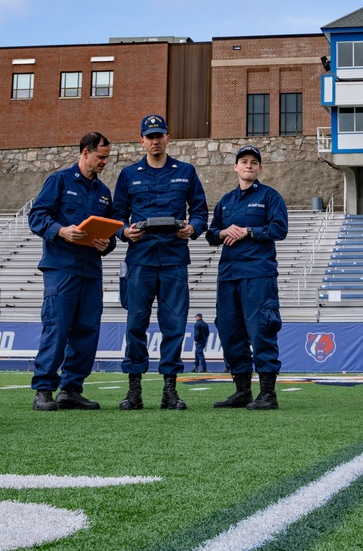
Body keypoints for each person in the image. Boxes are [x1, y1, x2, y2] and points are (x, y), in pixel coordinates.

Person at [112, 115, 208, 410]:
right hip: (139, 261)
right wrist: (124, 231)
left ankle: (170, 391)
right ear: (141, 140)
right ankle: (134, 391)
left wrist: (192, 229)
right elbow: (116, 216)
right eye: (149, 136)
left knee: (174, 326)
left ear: (169, 138)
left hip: (174, 261)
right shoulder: (129, 175)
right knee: (135, 326)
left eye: (160, 135)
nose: (155, 141)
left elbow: (201, 212)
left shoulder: (186, 171)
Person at [27, 132, 115, 411]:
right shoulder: (59, 181)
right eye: (101, 157)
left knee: (87, 330)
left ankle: (72, 389)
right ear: (85, 152)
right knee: (57, 327)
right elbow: (37, 216)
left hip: (91, 270)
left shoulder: (103, 192)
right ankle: (43, 389)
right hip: (61, 268)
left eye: (107, 158)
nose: (104, 162)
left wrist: (106, 244)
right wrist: (61, 231)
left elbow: (110, 235)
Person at [207, 144, 288, 410]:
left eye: (254, 162)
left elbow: (279, 229)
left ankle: (267, 394)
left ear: (260, 168)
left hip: (258, 275)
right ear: (236, 167)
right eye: (244, 161)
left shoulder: (269, 196)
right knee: (230, 333)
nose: (249, 165)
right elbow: (210, 234)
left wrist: (249, 231)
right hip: (228, 275)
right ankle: (242, 391)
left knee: (261, 331)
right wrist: (222, 233)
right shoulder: (226, 200)